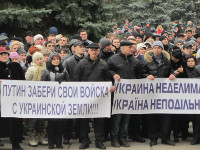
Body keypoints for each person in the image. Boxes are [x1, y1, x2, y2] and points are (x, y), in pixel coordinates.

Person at [74, 43, 115, 149]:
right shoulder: (81, 63)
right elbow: (76, 79)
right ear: (88, 51)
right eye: (91, 50)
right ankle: (84, 141)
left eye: (96, 50)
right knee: (83, 120)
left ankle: (99, 141)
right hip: (84, 97)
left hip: (99, 98)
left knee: (99, 120)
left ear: (98, 51)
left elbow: (108, 79)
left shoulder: (103, 64)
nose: (94, 52)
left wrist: (110, 87)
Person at [107, 40, 144, 148]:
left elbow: (139, 75)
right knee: (117, 118)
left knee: (127, 117)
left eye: (133, 47)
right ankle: (115, 139)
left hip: (130, 95)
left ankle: (123, 138)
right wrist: (114, 75)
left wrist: (147, 78)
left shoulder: (135, 61)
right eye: (130, 47)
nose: (132, 49)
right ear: (123, 48)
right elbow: (107, 71)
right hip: (118, 95)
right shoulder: (113, 59)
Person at [144, 41, 176, 146]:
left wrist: (172, 75)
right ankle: (153, 138)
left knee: (166, 116)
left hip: (164, 94)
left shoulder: (167, 61)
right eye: (155, 47)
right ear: (152, 49)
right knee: (152, 117)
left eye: (159, 47)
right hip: (152, 93)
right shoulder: (147, 61)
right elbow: (142, 73)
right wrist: (147, 76)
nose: (157, 49)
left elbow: (171, 71)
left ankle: (165, 137)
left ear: (162, 49)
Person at [41, 52, 70, 149]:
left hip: (61, 100)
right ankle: (51, 142)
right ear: (50, 60)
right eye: (54, 59)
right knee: (51, 123)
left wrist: (64, 82)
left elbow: (70, 84)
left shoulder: (64, 70)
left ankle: (59, 142)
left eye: (58, 59)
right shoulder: (46, 71)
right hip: (50, 101)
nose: (56, 61)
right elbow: (42, 85)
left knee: (60, 123)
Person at [0, 47, 25, 150]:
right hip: (1, 99)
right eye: (1, 54)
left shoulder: (16, 66)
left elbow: (23, 81)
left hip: (14, 100)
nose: (4, 56)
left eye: (6, 54)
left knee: (15, 122)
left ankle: (15, 144)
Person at [25, 52, 48, 147]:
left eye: (41, 59)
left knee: (42, 118)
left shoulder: (46, 69)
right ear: (34, 60)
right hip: (33, 97)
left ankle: (41, 136)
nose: (40, 61)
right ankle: (31, 137)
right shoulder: (31, 69)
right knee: (33, 118)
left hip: (43, 97)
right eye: (37, 59)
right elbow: (26, 81)